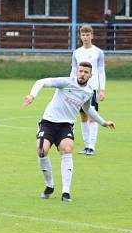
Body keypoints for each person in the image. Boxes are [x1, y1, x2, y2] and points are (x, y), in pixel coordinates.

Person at [23, 62, 115, 203]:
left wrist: (103, 122)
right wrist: (32, 96)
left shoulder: (89, 91)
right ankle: (49, 186)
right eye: (80, 71)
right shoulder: (66, 82)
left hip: (65, 126)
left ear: (91, 75)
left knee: (67, 149)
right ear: (76, 72)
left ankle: (66, 192)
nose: (82, 74)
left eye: (86, 72)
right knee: (41, 151)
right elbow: (42, 82)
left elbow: (88, 109)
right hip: (48, 123)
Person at [71, 25, 106, 156]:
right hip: (79, 89)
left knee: (92, 116)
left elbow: (101, 71)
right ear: (80, 36)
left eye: (87, 35)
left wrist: (102, 89)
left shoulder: (98, 52)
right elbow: (74, 70)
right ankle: (86, 146)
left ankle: (91, 146)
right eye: (83, 35)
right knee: (83, 116)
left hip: (92, 89)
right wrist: (71, 85)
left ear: (92, 36)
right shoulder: (76, 52)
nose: (85, 37)